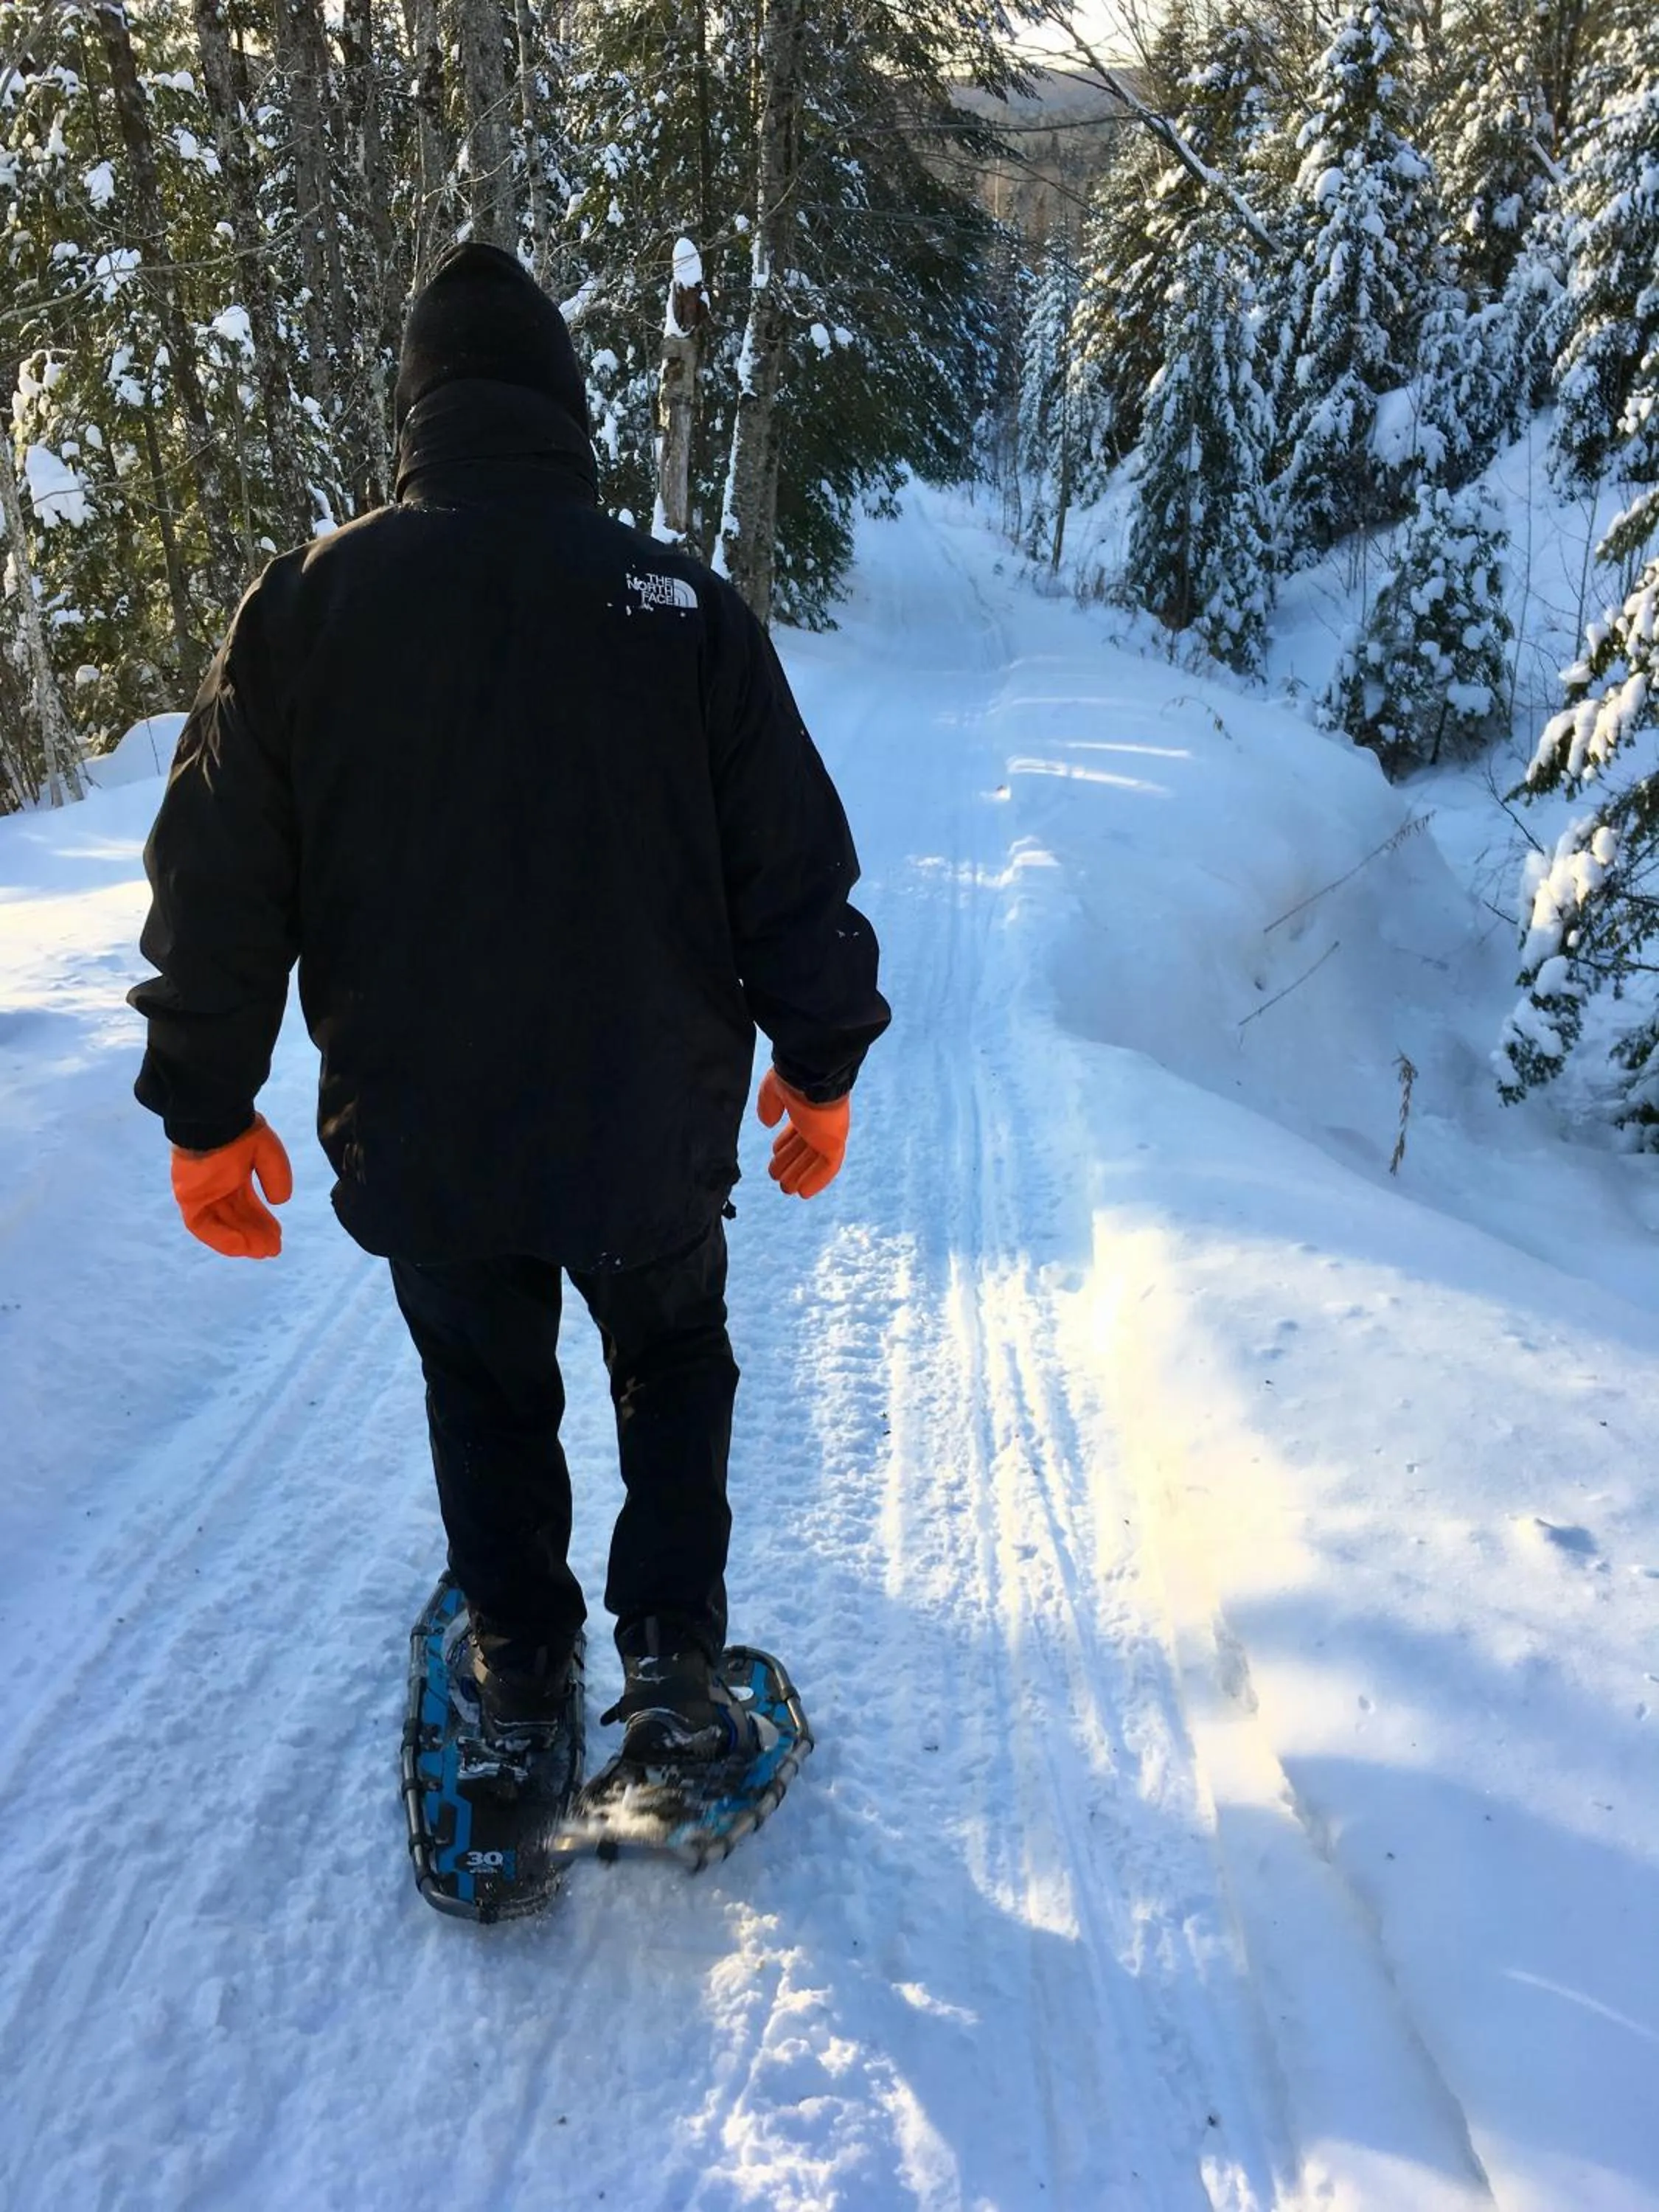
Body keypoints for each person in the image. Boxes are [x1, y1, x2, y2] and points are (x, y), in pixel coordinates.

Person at [130, 243, 889, 1767]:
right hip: (647, 1122)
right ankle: (673, 1661)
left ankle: (522, 1669)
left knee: (481, 1382)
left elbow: (220, 881)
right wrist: (820, 1067)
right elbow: (791, 868)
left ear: (417, 415)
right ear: (566, 411)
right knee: (672, 1361)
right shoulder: (680, 606)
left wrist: (205, 1110)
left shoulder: (308, 606)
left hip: (426, 1128)